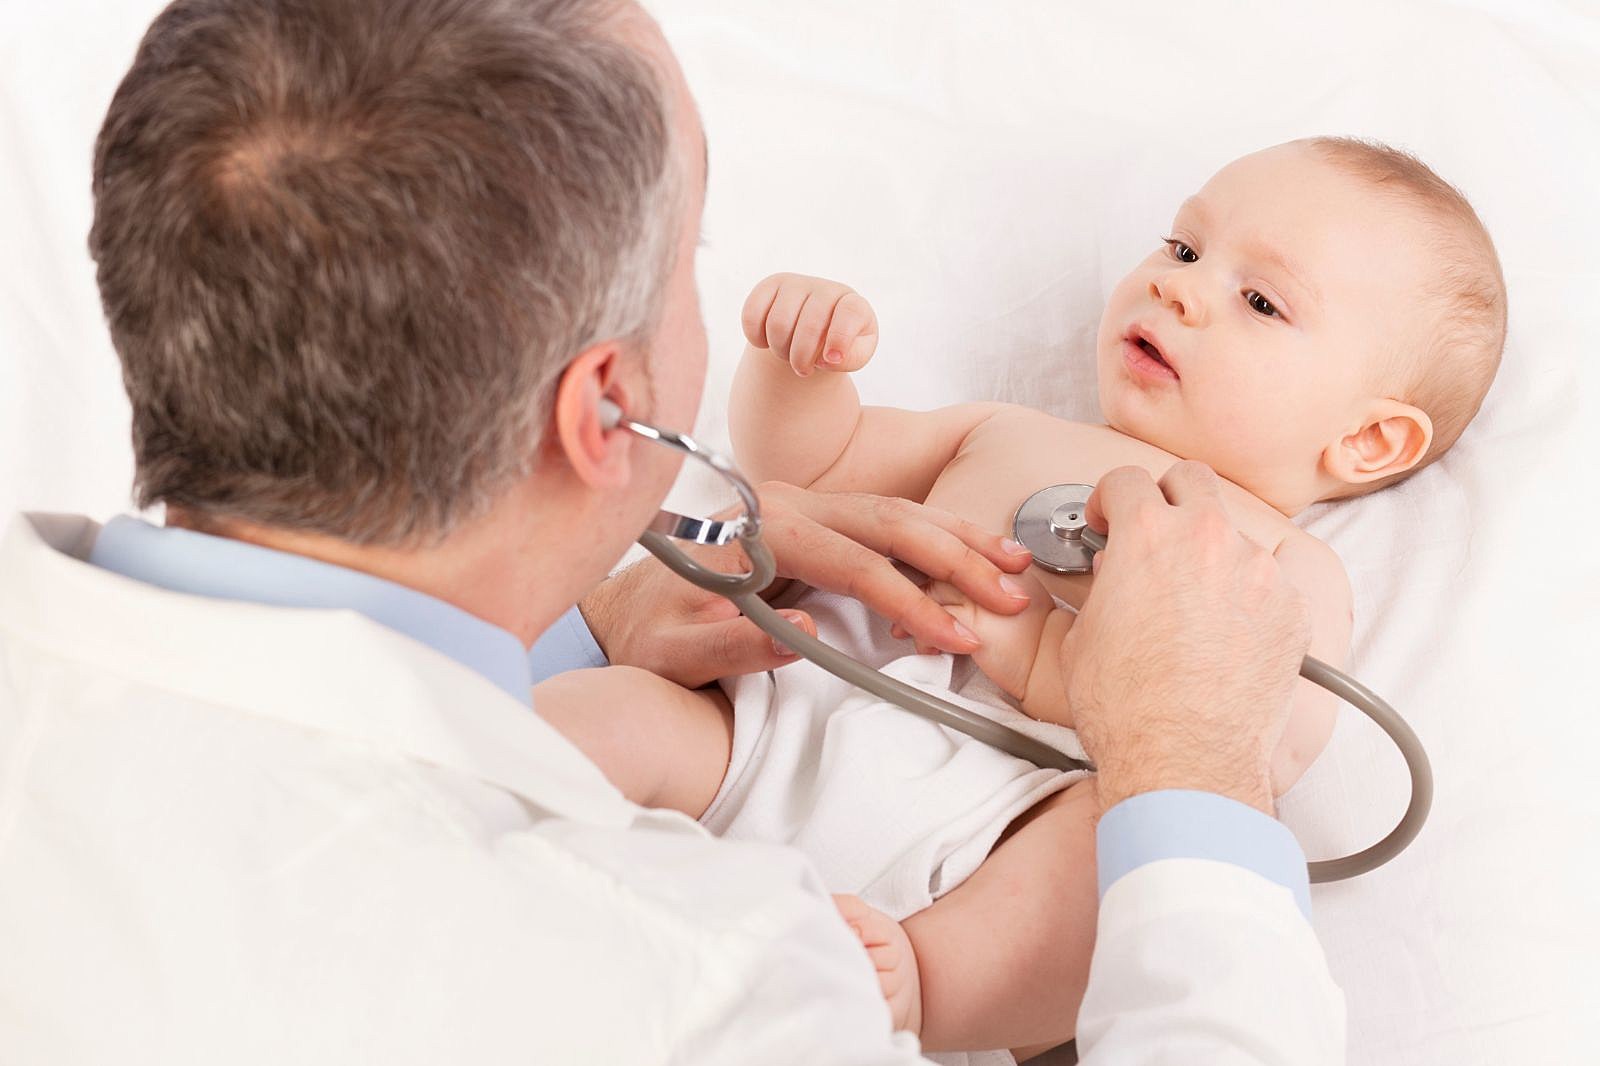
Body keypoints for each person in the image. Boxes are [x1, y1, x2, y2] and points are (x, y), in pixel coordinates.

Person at [0, 0, 1342, 1062]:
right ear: (607, 408)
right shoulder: (700, 987)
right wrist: (1192, 767)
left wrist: (573, 609)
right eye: (692, 260)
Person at [530, 140, 1506, 1058]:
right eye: (1183, 246)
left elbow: (1235, 752)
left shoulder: (1275, 566)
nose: (1179, 284)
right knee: (586, 719)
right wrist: (799, 369)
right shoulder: (1003, 429)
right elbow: (807, 471)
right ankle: (490, 819)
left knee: (1113, 866)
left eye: (1258, 299)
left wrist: (1063, 673)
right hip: (782, 729)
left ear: (1368, 442)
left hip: (996, 835)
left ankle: (927, 978)